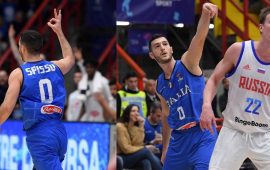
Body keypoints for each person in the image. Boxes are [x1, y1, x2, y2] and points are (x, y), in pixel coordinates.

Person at [0, 9, 75, 169]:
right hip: (59, 132)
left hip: (41, 135)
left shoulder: (19, 73)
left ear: (22, 48)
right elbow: (70, 58)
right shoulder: (55, 66)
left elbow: (6, 108)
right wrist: (59, 32)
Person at [148, 3, 218, 170]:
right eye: (157, 46)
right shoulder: (159, 84)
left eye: (165, 44)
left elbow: (199, 38)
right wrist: (165, 148)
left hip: (202, 133)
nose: (162, 48)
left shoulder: (188, 63)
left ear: (171, 49)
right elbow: (165, 115)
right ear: (152, 55)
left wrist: (205, 15)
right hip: (178, 140)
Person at [200, 7, 270, 170]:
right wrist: (206, 106)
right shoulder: (239, 50)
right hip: (233, 131)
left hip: (264, 134)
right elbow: (214, 79)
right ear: (260, 27)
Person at [117, 104, 162, 170]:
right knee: (146, 152)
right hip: (121, 157)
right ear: (127, 113)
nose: (137, 113)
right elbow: (126, 149)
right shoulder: (120, 126)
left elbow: (138, 144)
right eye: (133, 111)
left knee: (145, 162)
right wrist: (144, 147)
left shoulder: (134, 127)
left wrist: (141, 125)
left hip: (131, 156)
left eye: (137, 111)